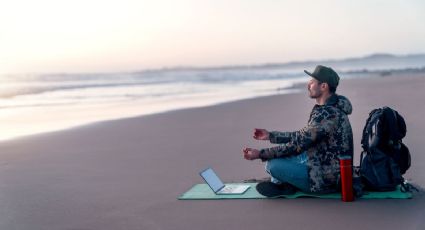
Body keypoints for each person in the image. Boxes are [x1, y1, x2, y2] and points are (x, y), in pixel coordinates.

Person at [243, 65, 353, 195]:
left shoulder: (328, 114)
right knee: (289, 155)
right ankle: (285, 185)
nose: (308, 85)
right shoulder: (330, 108)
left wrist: (260, 154)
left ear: (323, 86)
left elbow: (298, 144)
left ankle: (284, 185)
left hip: (325, 179)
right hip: (322, 162)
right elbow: (303, 136)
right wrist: (271, 136)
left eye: (312, 82)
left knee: (272, 165)